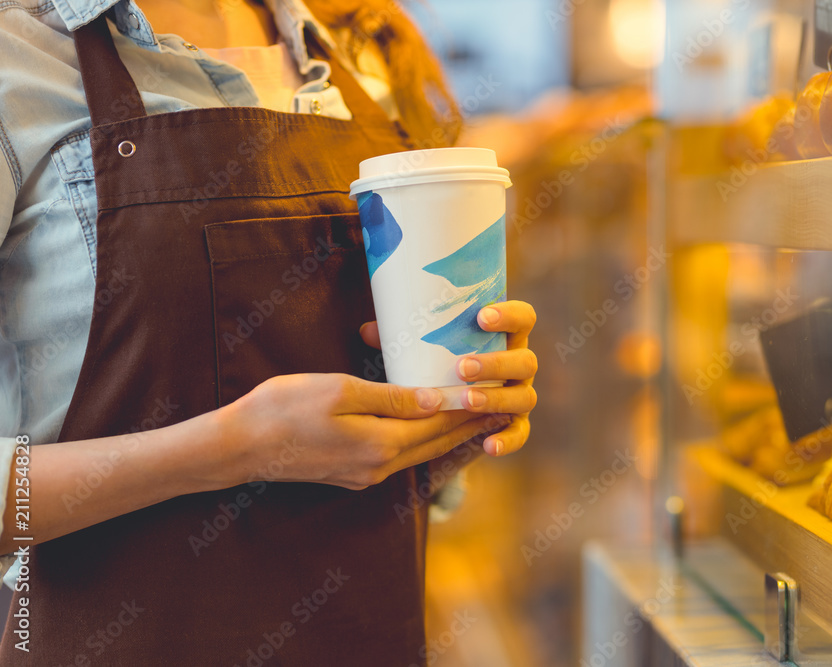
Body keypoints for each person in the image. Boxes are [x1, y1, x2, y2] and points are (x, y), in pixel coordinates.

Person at [0, 0, 537, 663]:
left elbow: (405, 464)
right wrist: (233, 450)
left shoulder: (359, 52)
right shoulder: (16, 58)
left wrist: (453, 417)